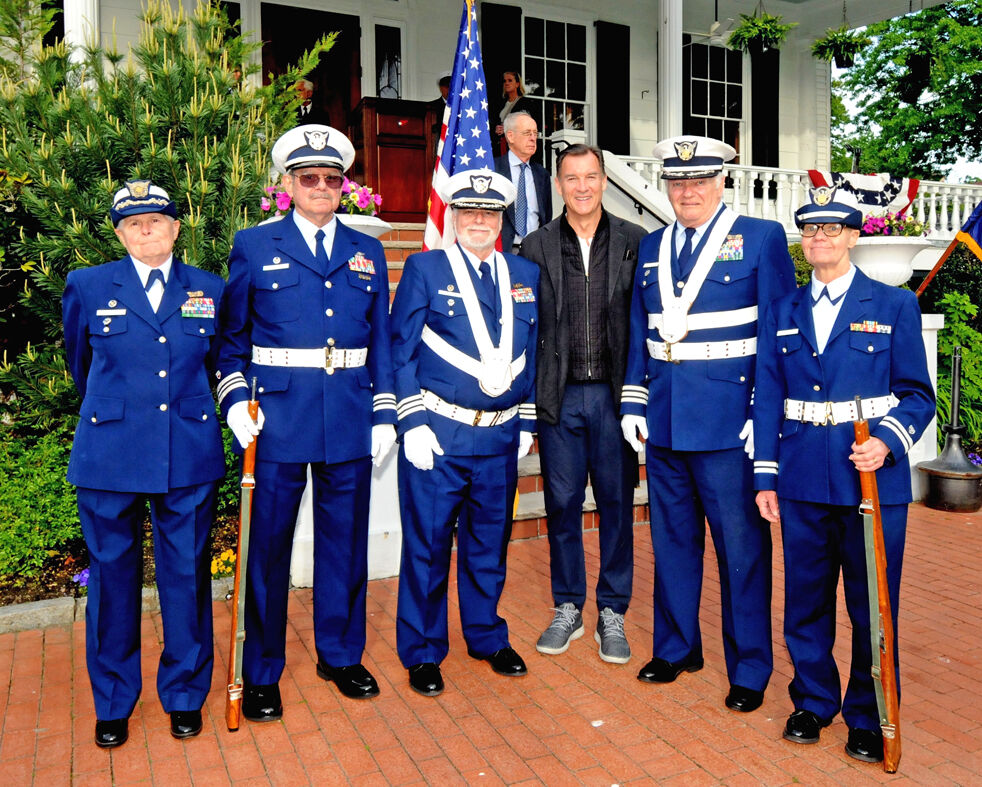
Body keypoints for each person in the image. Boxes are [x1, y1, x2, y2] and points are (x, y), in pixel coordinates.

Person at [217, 125, 397, 718]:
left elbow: (382, 340)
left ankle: (340, 654)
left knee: (344, 544)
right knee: (266, 548)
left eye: (331, 178)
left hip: (348, 411)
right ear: (288, 185)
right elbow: (231, 342)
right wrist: (235, 401)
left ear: (343, 185)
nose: (321, 187)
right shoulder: (253, 245)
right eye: (308, 178)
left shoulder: (366, 250)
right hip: (277, 417)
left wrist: (383, 410)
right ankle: (261, 668)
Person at [753, 187, 935, 762]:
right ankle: (812, 701)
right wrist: (765, 476)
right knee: (805, 598)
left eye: (831, 231)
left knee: (869, 604)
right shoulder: (783, 310)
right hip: (804, 474)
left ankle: (866, 713)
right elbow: (768, 396)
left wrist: (886, 442)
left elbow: (917, 396)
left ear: (854, 237)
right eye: (809, 232)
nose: (819, 241)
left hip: (870, 480)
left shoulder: (894, 305)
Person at [620, 136, 796, 712]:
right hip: (666, 423)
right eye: (677, 181)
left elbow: (778, 340)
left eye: (699, 180)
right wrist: (633, 401)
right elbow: (639, 333)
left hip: (730, 425)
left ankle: (749, 667)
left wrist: (761, 417)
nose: (687, 190)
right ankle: (676, 648)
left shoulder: (762, 238)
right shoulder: (651, 246)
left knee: (741, 550)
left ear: (723, 181)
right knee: (671, 543)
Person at [62, 181, 226, 747]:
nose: (146, 229)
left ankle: (184, 694)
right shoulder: (87, 286)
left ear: (177, 228)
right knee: (112, 580)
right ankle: (113, 700)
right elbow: (79, 365)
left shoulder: (208, 288)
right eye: (133, 223)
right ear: (118, 233)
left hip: (188, 452)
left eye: (156, 219)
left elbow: (216, 363)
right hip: (110, 454)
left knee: (187, 576)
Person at [390, 169, 539, 697]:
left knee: (488, 545)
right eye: (470, 211)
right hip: (440, 435)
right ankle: (423, 650)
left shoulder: (523, 273)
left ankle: (485, 634)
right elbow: (399, 348)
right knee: (428, 547)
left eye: (490, 213)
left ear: (501, 219)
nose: (479, 221)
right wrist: (409, 420)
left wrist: (528, 416)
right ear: (453, 215)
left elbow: (533, 350)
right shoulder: (424, 268)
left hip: (499, 439)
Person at [520, 143, 646, 663]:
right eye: (571, 178)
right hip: (560, 398)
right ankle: (568, 604)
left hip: (617, 400)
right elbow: (524, 329)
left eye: (590, 176)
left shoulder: (637, 243)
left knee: (618, 506)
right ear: (559, 185)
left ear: (604, 181)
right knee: (562, 504)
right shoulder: (534, 246)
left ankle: (612, 610)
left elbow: (647, 324)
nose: (582, 187)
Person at [494, 111, 552, 253]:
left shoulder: (542, 174)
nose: (533, 138)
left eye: (535, 133)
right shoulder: (493, 170)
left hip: (536, 252)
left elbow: (546, 217)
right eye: (527, 133)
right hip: (503, 252)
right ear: (510, 136)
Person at [494, 71, 533, 149]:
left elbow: (527, 124)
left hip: (516, 145)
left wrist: (508, 128)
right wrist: (496, 129)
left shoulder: (525, 103)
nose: (507, 83)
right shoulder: (500, 104)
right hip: (501, 145)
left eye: (510, 80)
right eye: (504, 81)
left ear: (517, 84)